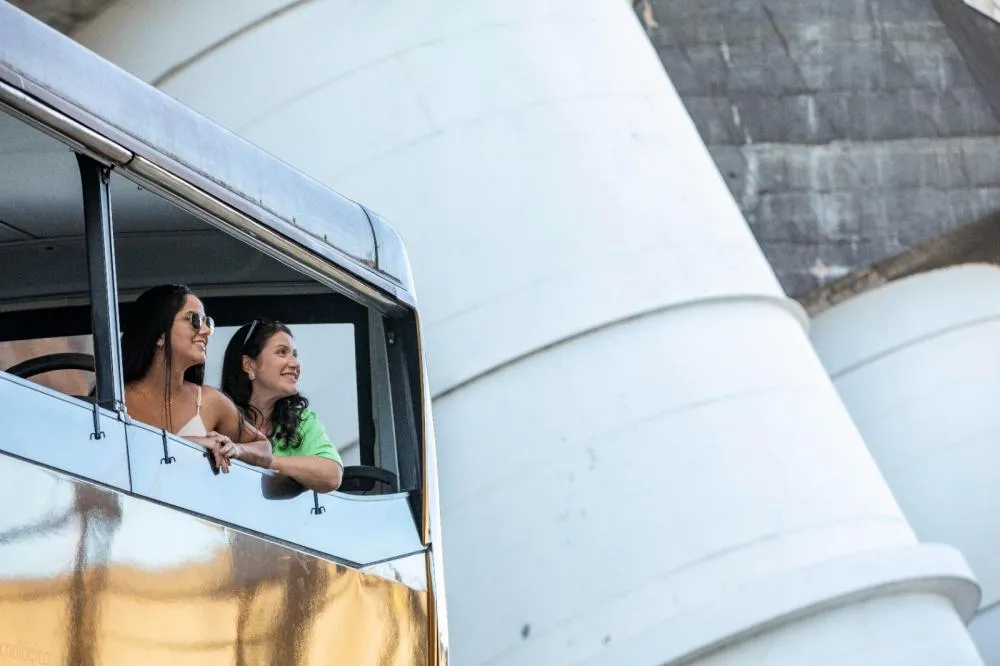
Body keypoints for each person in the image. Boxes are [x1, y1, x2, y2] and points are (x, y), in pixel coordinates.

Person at [122, 285, 272, 473]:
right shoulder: (117, 398)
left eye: (207, 322)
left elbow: (264, 449)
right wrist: (193, 444)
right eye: (193, 319)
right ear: (159, 335)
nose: (205, 330)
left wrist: (236, 449)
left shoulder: (211, 401)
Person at [221, 319, 343, 493]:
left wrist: (262, 459)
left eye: (294, 354)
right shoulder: (217, 410)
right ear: (249, 365)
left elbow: (332, 475)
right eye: (282, 352)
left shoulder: (302, 421)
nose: (295, 363)